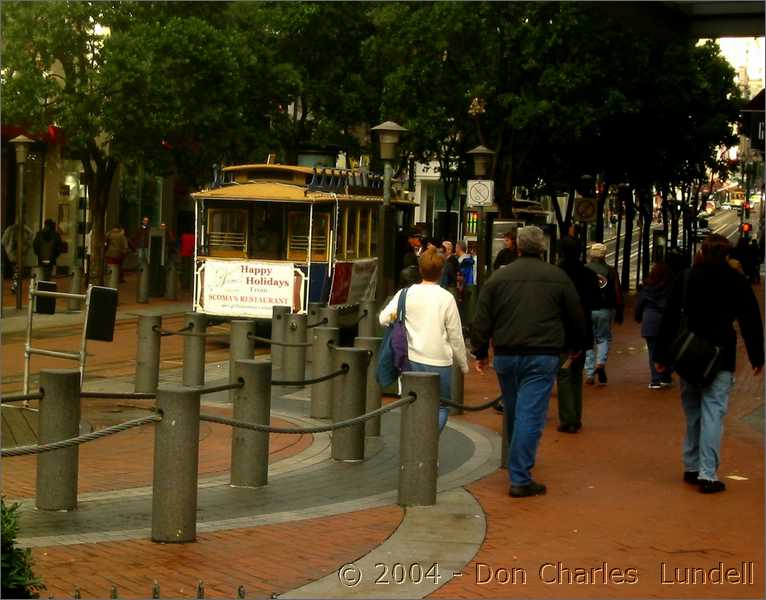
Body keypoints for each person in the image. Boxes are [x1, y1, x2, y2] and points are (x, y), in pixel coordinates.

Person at [472, 226, 585, 497]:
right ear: (542, 248)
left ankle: (515, 463)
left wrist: (480, 351)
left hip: (507, 354)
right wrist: (576, 345)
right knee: (529, 414)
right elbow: (575, 315)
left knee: (513, 409)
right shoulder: (557, 277)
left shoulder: (499, 278)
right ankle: (520, 476)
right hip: (542, 353)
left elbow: (482, 316)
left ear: (518, 247)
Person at [655, 234, 764, 494]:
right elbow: (750, 319)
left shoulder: (686, 277)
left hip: (688, 355)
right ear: (728, 254)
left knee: (693, 413)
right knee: (713, 413)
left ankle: (691, 466)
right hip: (720, 355)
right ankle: (708, 473)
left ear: (702, 251)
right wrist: (757, 356)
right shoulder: (736, 281)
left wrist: (661, 356)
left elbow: (669, 318)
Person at [379, 247, 469, 432]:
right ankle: (428, 442)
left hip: (411, 360)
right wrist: (463, 364)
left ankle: (417, 444)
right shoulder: (447, 298)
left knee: (413, 403)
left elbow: (383, 318)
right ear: (441, 271)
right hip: (440, 361)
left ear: (420, 270)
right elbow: (455, 336)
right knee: (441, 406)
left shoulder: (405, 294)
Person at [555, 237, 600, 433]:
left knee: (564, 373)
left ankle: (568, 418)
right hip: (583, 330)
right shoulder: (589, 275)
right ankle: (576, 416)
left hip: (561, 331)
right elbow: (596, 301)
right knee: (576, 375)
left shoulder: (557, 273)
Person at [584, 242, 623, 384]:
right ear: (604, 255)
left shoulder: (584, 269)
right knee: (604, 338)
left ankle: (589, 373)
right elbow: (617, 292)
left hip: (587, 309)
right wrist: (619, 309)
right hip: (605, 309)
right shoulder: (611, 271)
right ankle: (601, 362)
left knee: (588, 341)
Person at [635, 262, 673, 389]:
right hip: (666, 322)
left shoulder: (647, 289)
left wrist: (638, 317)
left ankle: (655, 379)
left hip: (650, 321)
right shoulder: (670, 289)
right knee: (667, 349)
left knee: (652, 351)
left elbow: (640, 305)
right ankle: (666, 376)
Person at [2, 223, 35, 292]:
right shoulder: (21, 231)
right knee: (17, 270)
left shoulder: (9, 230)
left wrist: (7, 248)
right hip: (18, 254)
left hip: (11, 254)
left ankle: (15, 285)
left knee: (16, 270)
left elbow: (3, 241)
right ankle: (15, 285)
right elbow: (31, 234)